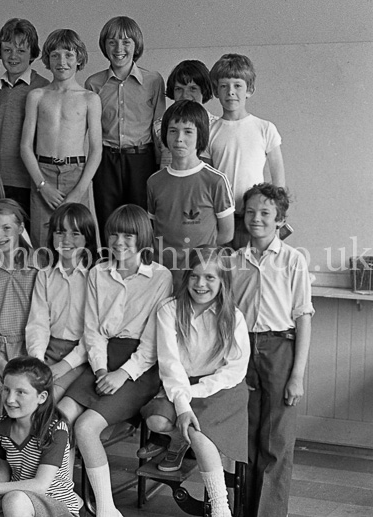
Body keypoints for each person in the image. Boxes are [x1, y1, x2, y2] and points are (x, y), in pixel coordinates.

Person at [56, 204, 172, 517]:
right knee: (62, 414)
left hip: (139, 368)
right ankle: (65, 498)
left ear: (143, 238)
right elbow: (92, 331)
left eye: (128, 235)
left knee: (86, 426)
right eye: (114, 234)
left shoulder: (160, 277)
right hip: (102, 360)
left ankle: (106, 508)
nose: (119, 242)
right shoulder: (98, 273)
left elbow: (153, 341)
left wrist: (123, 373)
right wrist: (101, 369)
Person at [141, 247, 250, 517]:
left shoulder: (233, 317)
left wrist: (192, 393)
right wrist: (182, 402)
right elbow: (170, 363)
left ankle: (220, 508)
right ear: (186, 277)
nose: (200, 284)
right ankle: (179, 438)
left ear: (223, 282)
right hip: (178, 383)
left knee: (200, 435)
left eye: (210, 278)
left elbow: (234, 370)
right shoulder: (169, 309)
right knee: (156, 421)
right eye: (195, 276)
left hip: (220, 387)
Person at [230, 183, 313, 517]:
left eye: (265, 213)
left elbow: (303, 317)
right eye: (250, 212)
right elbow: (230, 314)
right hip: (243, 350)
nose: (256, 219)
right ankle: (242, 510)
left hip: (281, 347)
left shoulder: (294, 261)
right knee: (246, 437)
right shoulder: (234, 261)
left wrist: (297, 376)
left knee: (276, 439)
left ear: (280, 220)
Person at [0, 356, 82, 517]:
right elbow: (3, 472)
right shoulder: (3, 425)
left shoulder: (55, 430)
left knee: (15, 499)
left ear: (41, 398)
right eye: (6, 389)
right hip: (18, 503)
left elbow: (41, 485)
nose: (10, 399)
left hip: (55, 507)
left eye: (20, 392)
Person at [84, 16, 165, 242]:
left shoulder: (153, 81)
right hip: (106, 162)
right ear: (104, 46)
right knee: (108, 221)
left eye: (126, 42)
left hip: (142, 160)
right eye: (112, 42)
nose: (119, 48)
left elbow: (158, 127)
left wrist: (160, 166)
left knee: (142, 223)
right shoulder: (93, 84)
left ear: (136, 46)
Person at [20, 28, 102, 250]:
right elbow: (26, 147)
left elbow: (96, 149)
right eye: (55, 55)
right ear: (47, 59)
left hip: (76, 174)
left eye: (68, 55)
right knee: (41, 240)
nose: (61, 61)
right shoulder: (37, 96)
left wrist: (79, 190)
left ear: (79, 59)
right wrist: (42, 185)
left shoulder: (89, 99)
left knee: (77, 239)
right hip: (42, 172)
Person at [147, 100, 234, 282]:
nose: (179, 139)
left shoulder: (215, 181)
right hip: (162, 276)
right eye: (173, 131)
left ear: (200, 135)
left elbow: (227, 233)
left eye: (188, 132)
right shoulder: (154, 182)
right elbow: (154, 230)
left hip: (199, 279)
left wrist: (201, 260)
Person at [206, 54, 285, 249]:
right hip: (220, 215)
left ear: (250, 90)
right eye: (224, 86)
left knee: (249, 267)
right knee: (222, 269)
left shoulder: (264, 128)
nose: (230, 92)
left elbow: (278, 179)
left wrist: (278, 214)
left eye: (237, 86)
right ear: (216, 91)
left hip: (252, 214)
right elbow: (206, 177)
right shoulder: (210, 131)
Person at [25, 203, 97, 401]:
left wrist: (65, 365)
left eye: (75, 234)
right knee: (24, 391)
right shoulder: (45, 275)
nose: (66, 240)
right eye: (60, 232)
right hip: (48, 351)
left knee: (49, 396)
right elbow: (38, 323)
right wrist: (39, 361)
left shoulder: (95, 277)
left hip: (81, 356)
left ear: (87, 237)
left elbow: (94, 333)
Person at [0, 18, 50, 218]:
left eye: (21, 50)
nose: (13, 56)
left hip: (31, 180)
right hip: (1, 178)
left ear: (33, 53)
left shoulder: (44, 88)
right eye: (7, 50)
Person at [0, 200, 38, 392]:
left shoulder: (39, 267)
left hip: (33, 348)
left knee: (23, 389)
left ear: (20, 228)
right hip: (0, 350)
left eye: (6, 228)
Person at [153, 60, 219, 168]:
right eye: (179, 89)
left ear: (204, 90)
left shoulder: (216, 126)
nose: (185, 95)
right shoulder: (159, 126)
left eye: (193, 88)